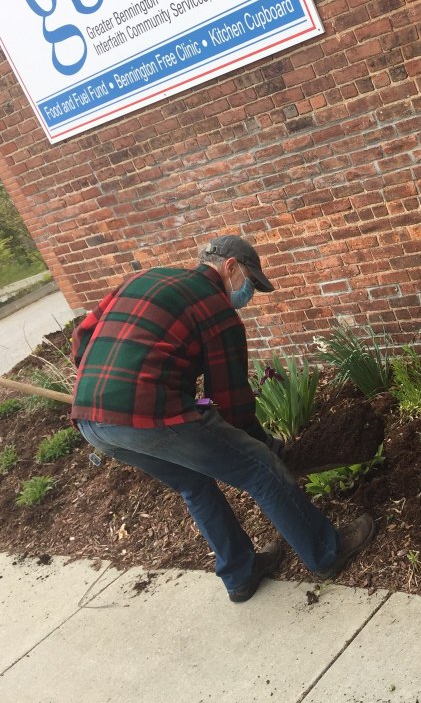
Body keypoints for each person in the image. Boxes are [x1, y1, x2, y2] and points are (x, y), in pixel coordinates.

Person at [71, 234, 375, 602]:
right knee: (260, 470)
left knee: (193, 483)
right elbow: (231, 404)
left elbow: (84, 333)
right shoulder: (217, 311)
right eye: (249, 280)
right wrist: (264, 448)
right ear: (230, 267)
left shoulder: (143, 279)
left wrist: (97, 386)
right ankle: (327, 553)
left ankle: (241, 574)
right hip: (151, 414)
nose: (247, 293)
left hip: (90, 419)